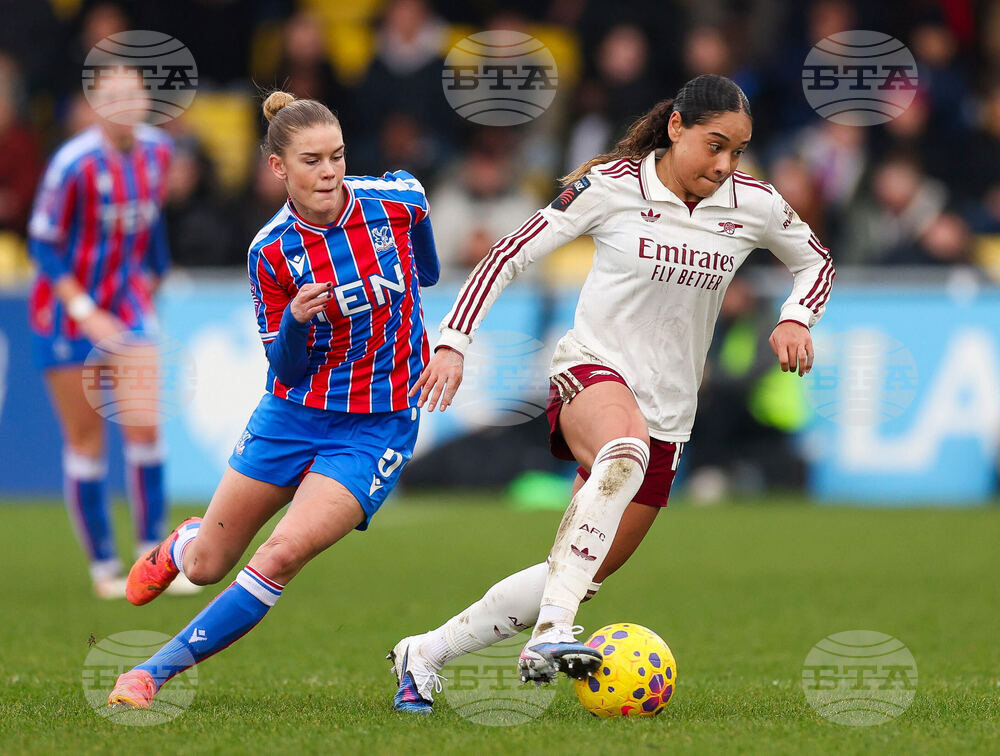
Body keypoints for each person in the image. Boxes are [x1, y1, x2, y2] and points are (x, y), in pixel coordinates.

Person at [389, 74, 834, 713]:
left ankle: (425, 652)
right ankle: (551, 635)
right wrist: (454, 339)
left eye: (737, 150)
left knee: (575, 573)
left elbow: (816, 260)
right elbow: (507, 256)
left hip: (672, 416)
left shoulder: (754, 203)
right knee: (621, 450)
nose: (725, 164)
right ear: (676, 127)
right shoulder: (611, 186)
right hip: (590, 373)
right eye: (715, 145)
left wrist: (796, 315)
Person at [107, 90, 440, 709]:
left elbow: (428, 272)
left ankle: (151, 672)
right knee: (208, 564)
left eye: (337, 156)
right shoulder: (271, 250)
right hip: (292, 415)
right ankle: (184, 543)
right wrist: (294, 321)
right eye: (311, 160)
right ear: (278, 168)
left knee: (281, 553)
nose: (330, 172)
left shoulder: (400, 202)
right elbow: (283, 365)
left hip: (375, 426)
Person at [26, 74, 190, 599]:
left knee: (145, 429)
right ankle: (103, 567)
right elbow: (44, 245)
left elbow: (151, 222)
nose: (124, 107)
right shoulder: (72, 165)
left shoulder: (158, 153)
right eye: (111, 98)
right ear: (94, 108)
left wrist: (158, 271)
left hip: (128, 306)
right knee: (86, 439)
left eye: (133, 96)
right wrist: (83, 308)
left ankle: (152, 559)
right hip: (65, 315)